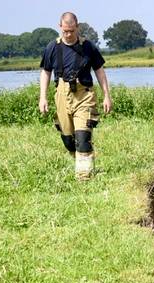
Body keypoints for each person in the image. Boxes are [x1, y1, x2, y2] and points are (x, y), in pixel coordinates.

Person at [38, 11, 111, 180]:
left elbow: (99, 71)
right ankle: (84, 164)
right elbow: (45, 72)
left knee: (83, 138)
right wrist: (43, 97)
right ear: (60, 27)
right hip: (62, 96)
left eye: (72, 31)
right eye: (65, 31)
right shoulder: (52, 47)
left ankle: (84, 179)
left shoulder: (88, 47)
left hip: (84, 95)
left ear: (77, 27)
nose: (69, 34)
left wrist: (107, 95)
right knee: (69, 140)